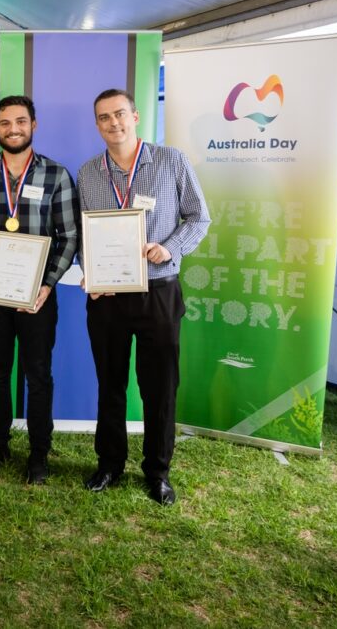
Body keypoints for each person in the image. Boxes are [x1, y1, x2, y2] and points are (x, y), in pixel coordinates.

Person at [78, 89, 210, 505]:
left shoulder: (171, 160)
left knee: (159, 388)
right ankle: (109, 464)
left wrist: (170, 247)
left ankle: (158, 471)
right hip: (108, 297)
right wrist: (91, 272)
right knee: (110, 383)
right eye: (103, 118)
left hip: (159, 292)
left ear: (135, 116)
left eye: (119, 114)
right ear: (97, 124)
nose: (112, 123)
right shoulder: (88, 173)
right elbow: (87, 235)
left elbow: (199, 217)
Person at [0, 95, 78, 484]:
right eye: (5, 123)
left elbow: (69, 237)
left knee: (38, 374)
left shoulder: (56, 175)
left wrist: (46, 286)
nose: (13, 129)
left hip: (37, 297)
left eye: (21, 121)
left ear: (33, 125)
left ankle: (39, 452)